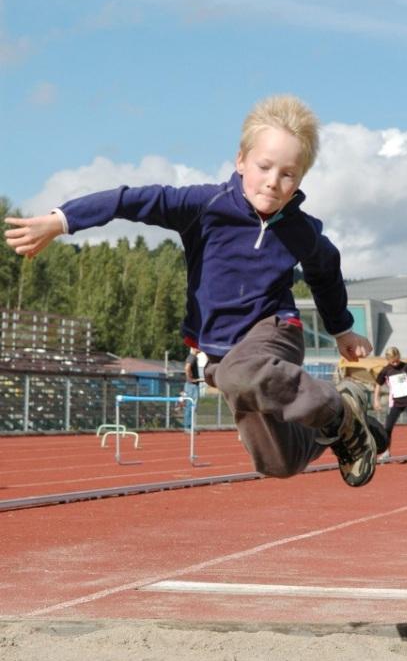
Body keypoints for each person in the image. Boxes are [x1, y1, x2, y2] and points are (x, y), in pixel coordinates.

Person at [5, 94, 377, 487]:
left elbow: (326, 271)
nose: (273, 181)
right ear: (240, 161)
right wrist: (61, 220)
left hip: (274, 331)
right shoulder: (204, 205)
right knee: (277, 462)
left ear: (300, 179)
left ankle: (335, 409)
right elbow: (129, 200)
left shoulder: (302, 230)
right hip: (221, 353)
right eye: (264, 166)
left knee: (238, 373)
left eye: (288, 174)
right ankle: (343, 422)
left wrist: (341, 330)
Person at [181, 349, 201, 430]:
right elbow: (187, 368)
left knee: (192, 406)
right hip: (191, 386)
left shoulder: (194, 357)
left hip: (192, 385)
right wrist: (191, 379)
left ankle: (190, 426)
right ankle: (187, 427)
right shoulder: (192, 357)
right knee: (190, 406)